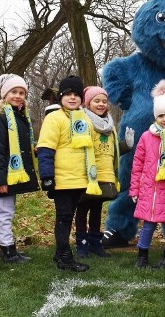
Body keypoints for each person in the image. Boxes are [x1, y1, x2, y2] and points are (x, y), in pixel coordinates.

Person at [37, 75, 97, 272]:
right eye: (68, 94)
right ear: (60, 97)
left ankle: (58, 252)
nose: (72, 98)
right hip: (62, 180)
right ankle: (64, 256)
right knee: (64, 218)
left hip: (79, 178)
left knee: (68, 216)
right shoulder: (54, 118)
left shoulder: (84, 119)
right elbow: (46, 148)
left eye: (76, 95)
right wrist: (47, 176)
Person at [0, 74, 39, 263]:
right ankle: (6, 250)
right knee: (4, 212)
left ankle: (11, 247)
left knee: (8, 212)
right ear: (4, 95)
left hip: (12, 174)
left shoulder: (20, 117)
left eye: (21, 92)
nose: (18, 96)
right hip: (3, 174)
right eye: (14, 92)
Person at [75, 86, 134, 259]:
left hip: (105, 175)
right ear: (88, 103)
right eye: (96, 101)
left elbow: (111, 151)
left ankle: (95, 242)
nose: (101, 104)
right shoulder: (83, 121)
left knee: (96, 209)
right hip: (87, 175)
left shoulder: (109, 124)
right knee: (82, 209)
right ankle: (82, 244)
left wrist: (126, 145)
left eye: (103, 101)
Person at [130, 80, 165, 269]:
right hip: (149, 190)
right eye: (161, 115)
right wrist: (134, 188)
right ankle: (142, 254)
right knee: (148, 224)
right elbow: (138, 164)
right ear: (155, 116)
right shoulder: (147, 136)